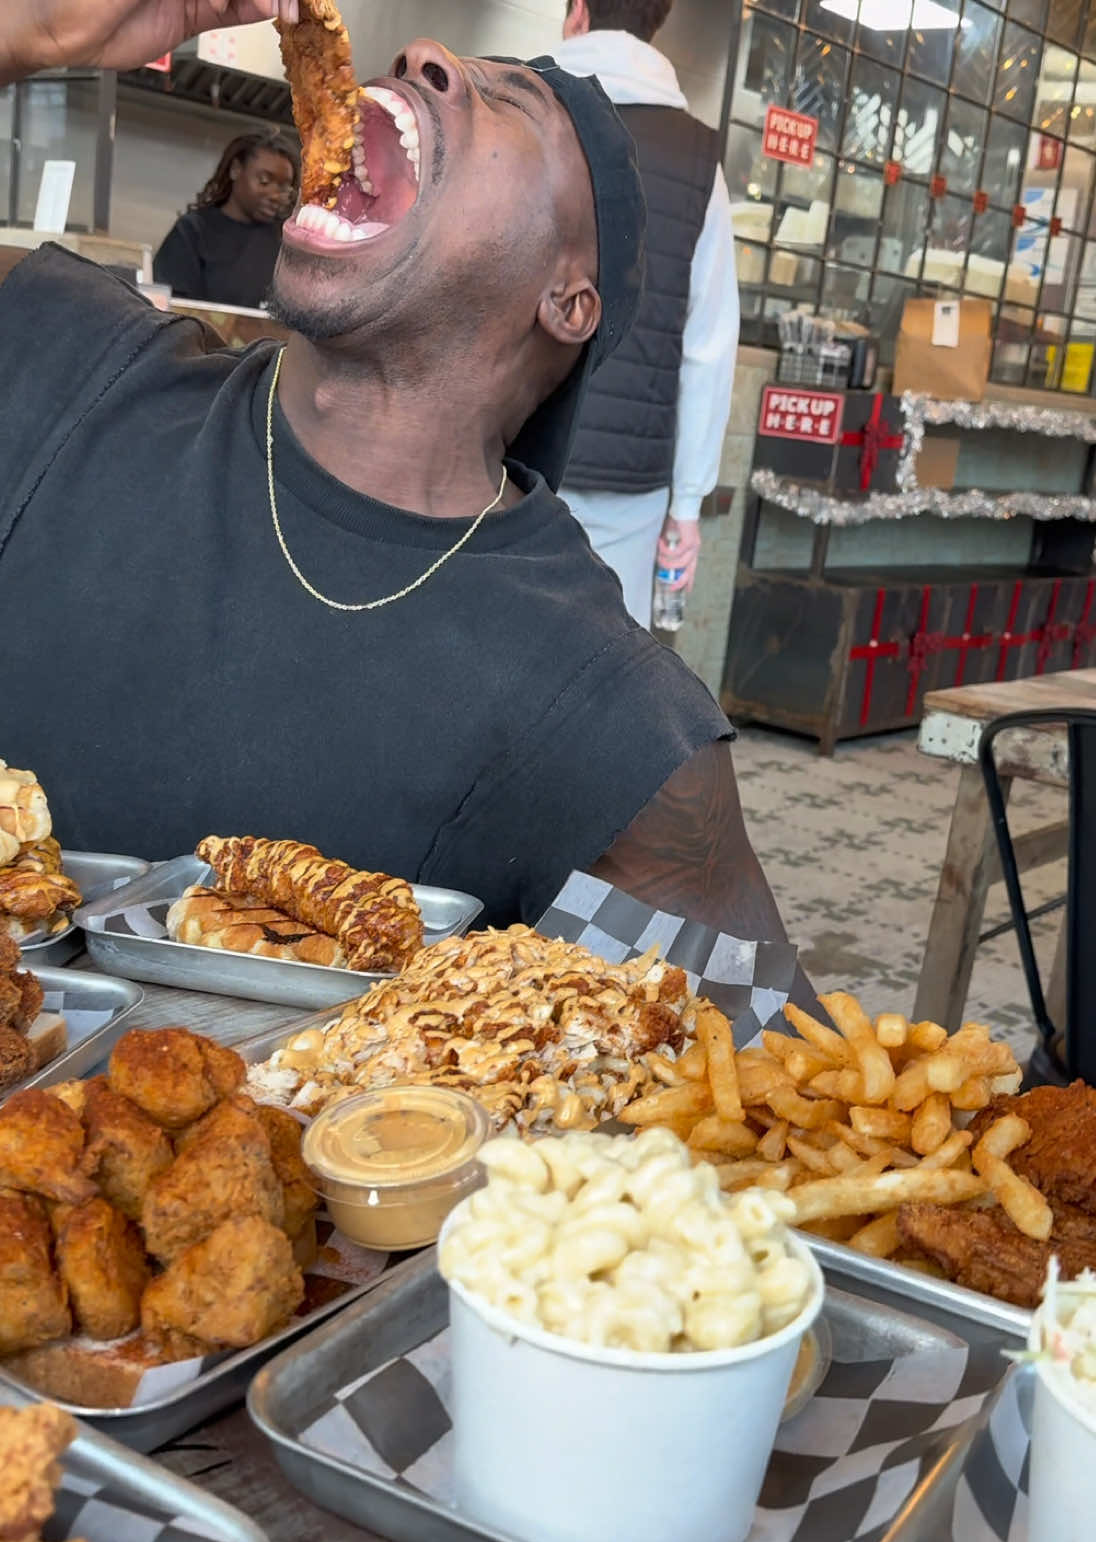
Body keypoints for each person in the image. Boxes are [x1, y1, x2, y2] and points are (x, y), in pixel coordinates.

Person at [0, 0, 784, 946]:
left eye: (513, 102)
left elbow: (753, 1066)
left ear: (568, 300)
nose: (425, 56)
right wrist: (24, 35)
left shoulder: (607, 715)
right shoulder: (71, 360)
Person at [554, 0, 740, 628]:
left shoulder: (509, 105)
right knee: (603, 668)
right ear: (656, 21)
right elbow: (709, 340)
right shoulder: (696, 157)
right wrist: (686, 506)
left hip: (497, 448)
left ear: (577, 11)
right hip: (628, 486)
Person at [154, 128, 299, 308]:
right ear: (236, 170)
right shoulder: (193, 231)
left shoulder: (285, 243)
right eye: (264, 181)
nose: (275, 195)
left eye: (284, 187)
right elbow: (171, 308)